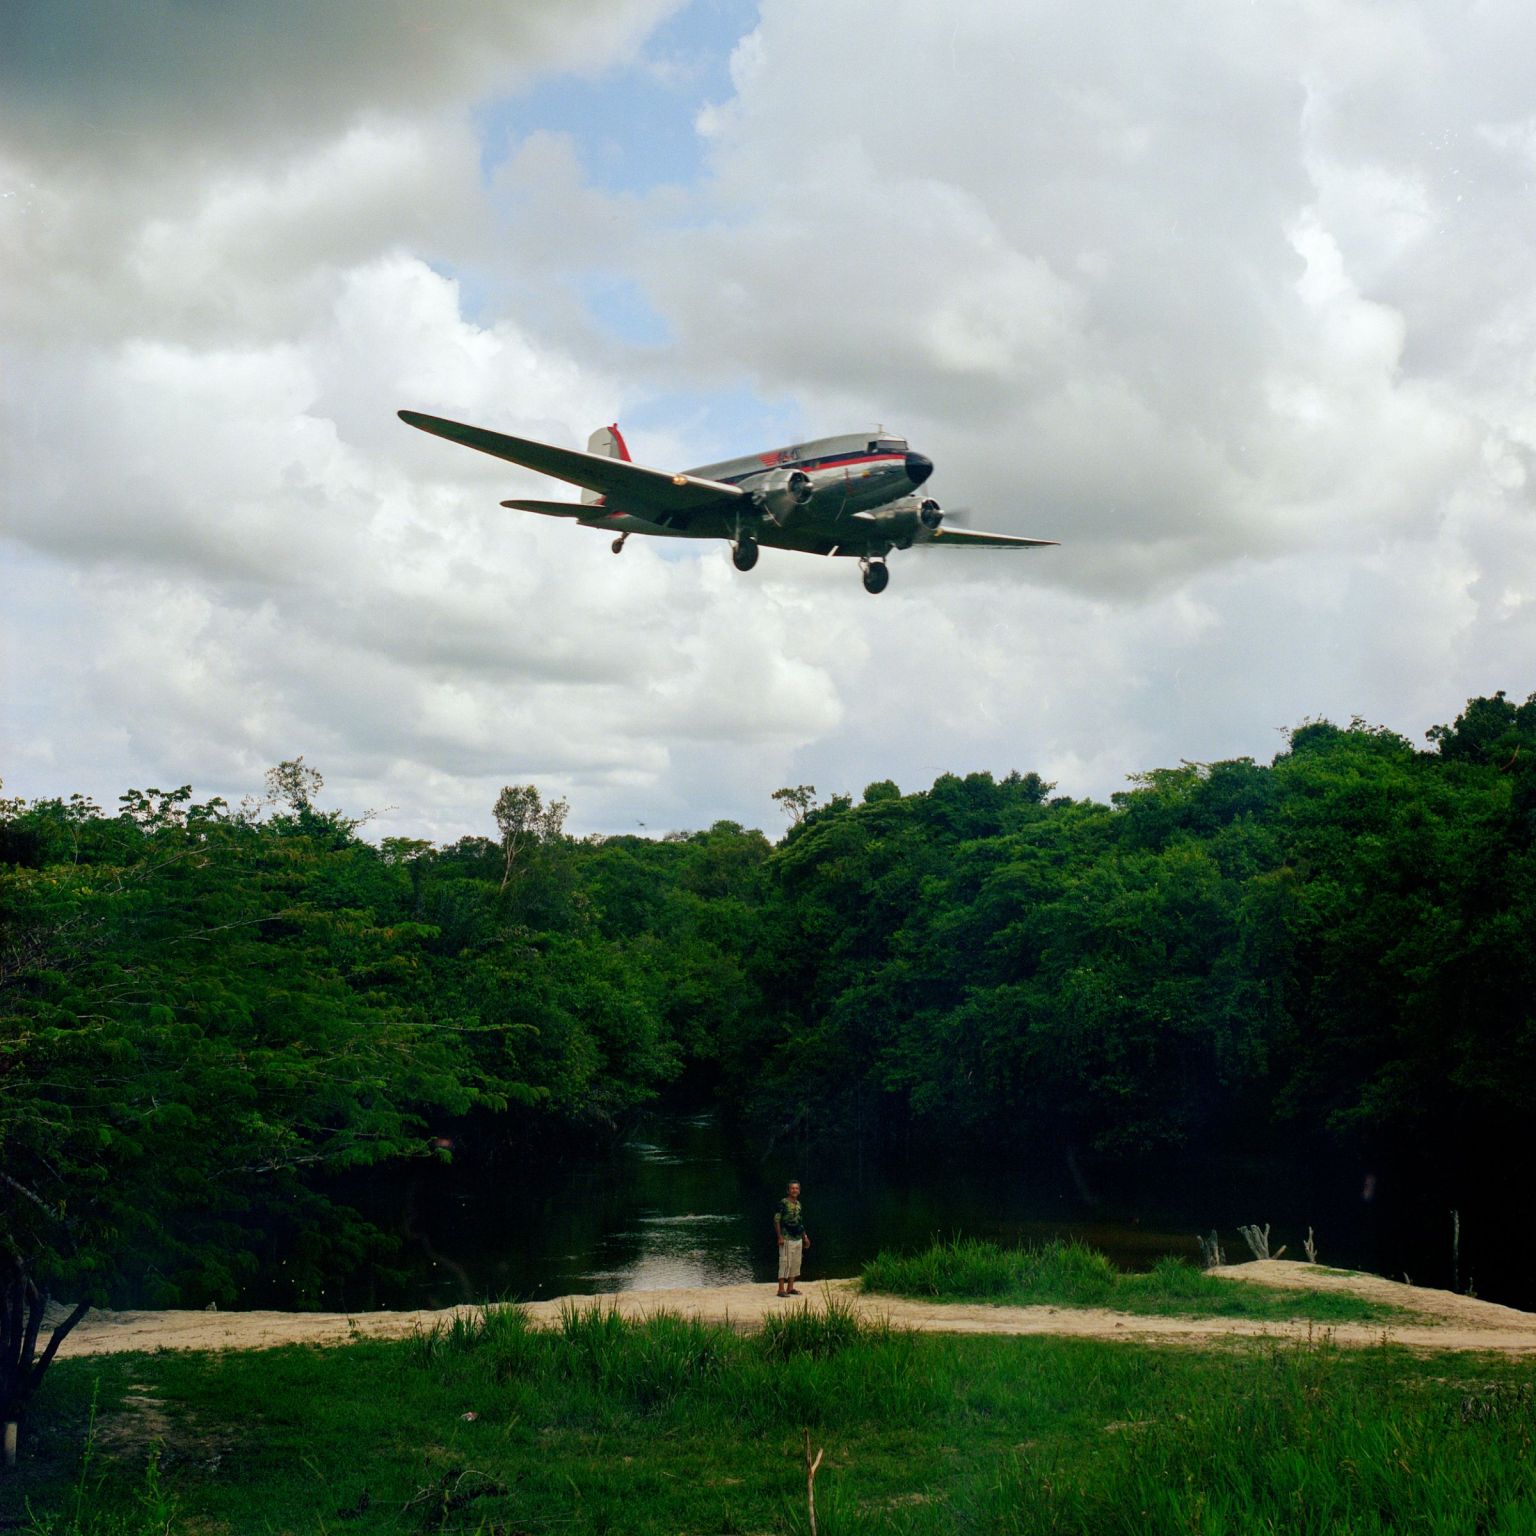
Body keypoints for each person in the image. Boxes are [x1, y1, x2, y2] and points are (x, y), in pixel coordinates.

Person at [774, 1180, 810, 1296]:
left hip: (798, 1238)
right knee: (785, 1263)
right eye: (792, 1188)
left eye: (796, 1188)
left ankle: (790, 1288)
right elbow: (776, 1220)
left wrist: (805, 1237)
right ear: (788, 1190)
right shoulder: (783, 1203)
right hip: (786, 1238)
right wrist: (779, 1237)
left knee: (795, 1263)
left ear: (799, 1191)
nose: (794, 1190)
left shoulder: (799, 1204)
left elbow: (800, 1222)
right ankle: (781, 1289)